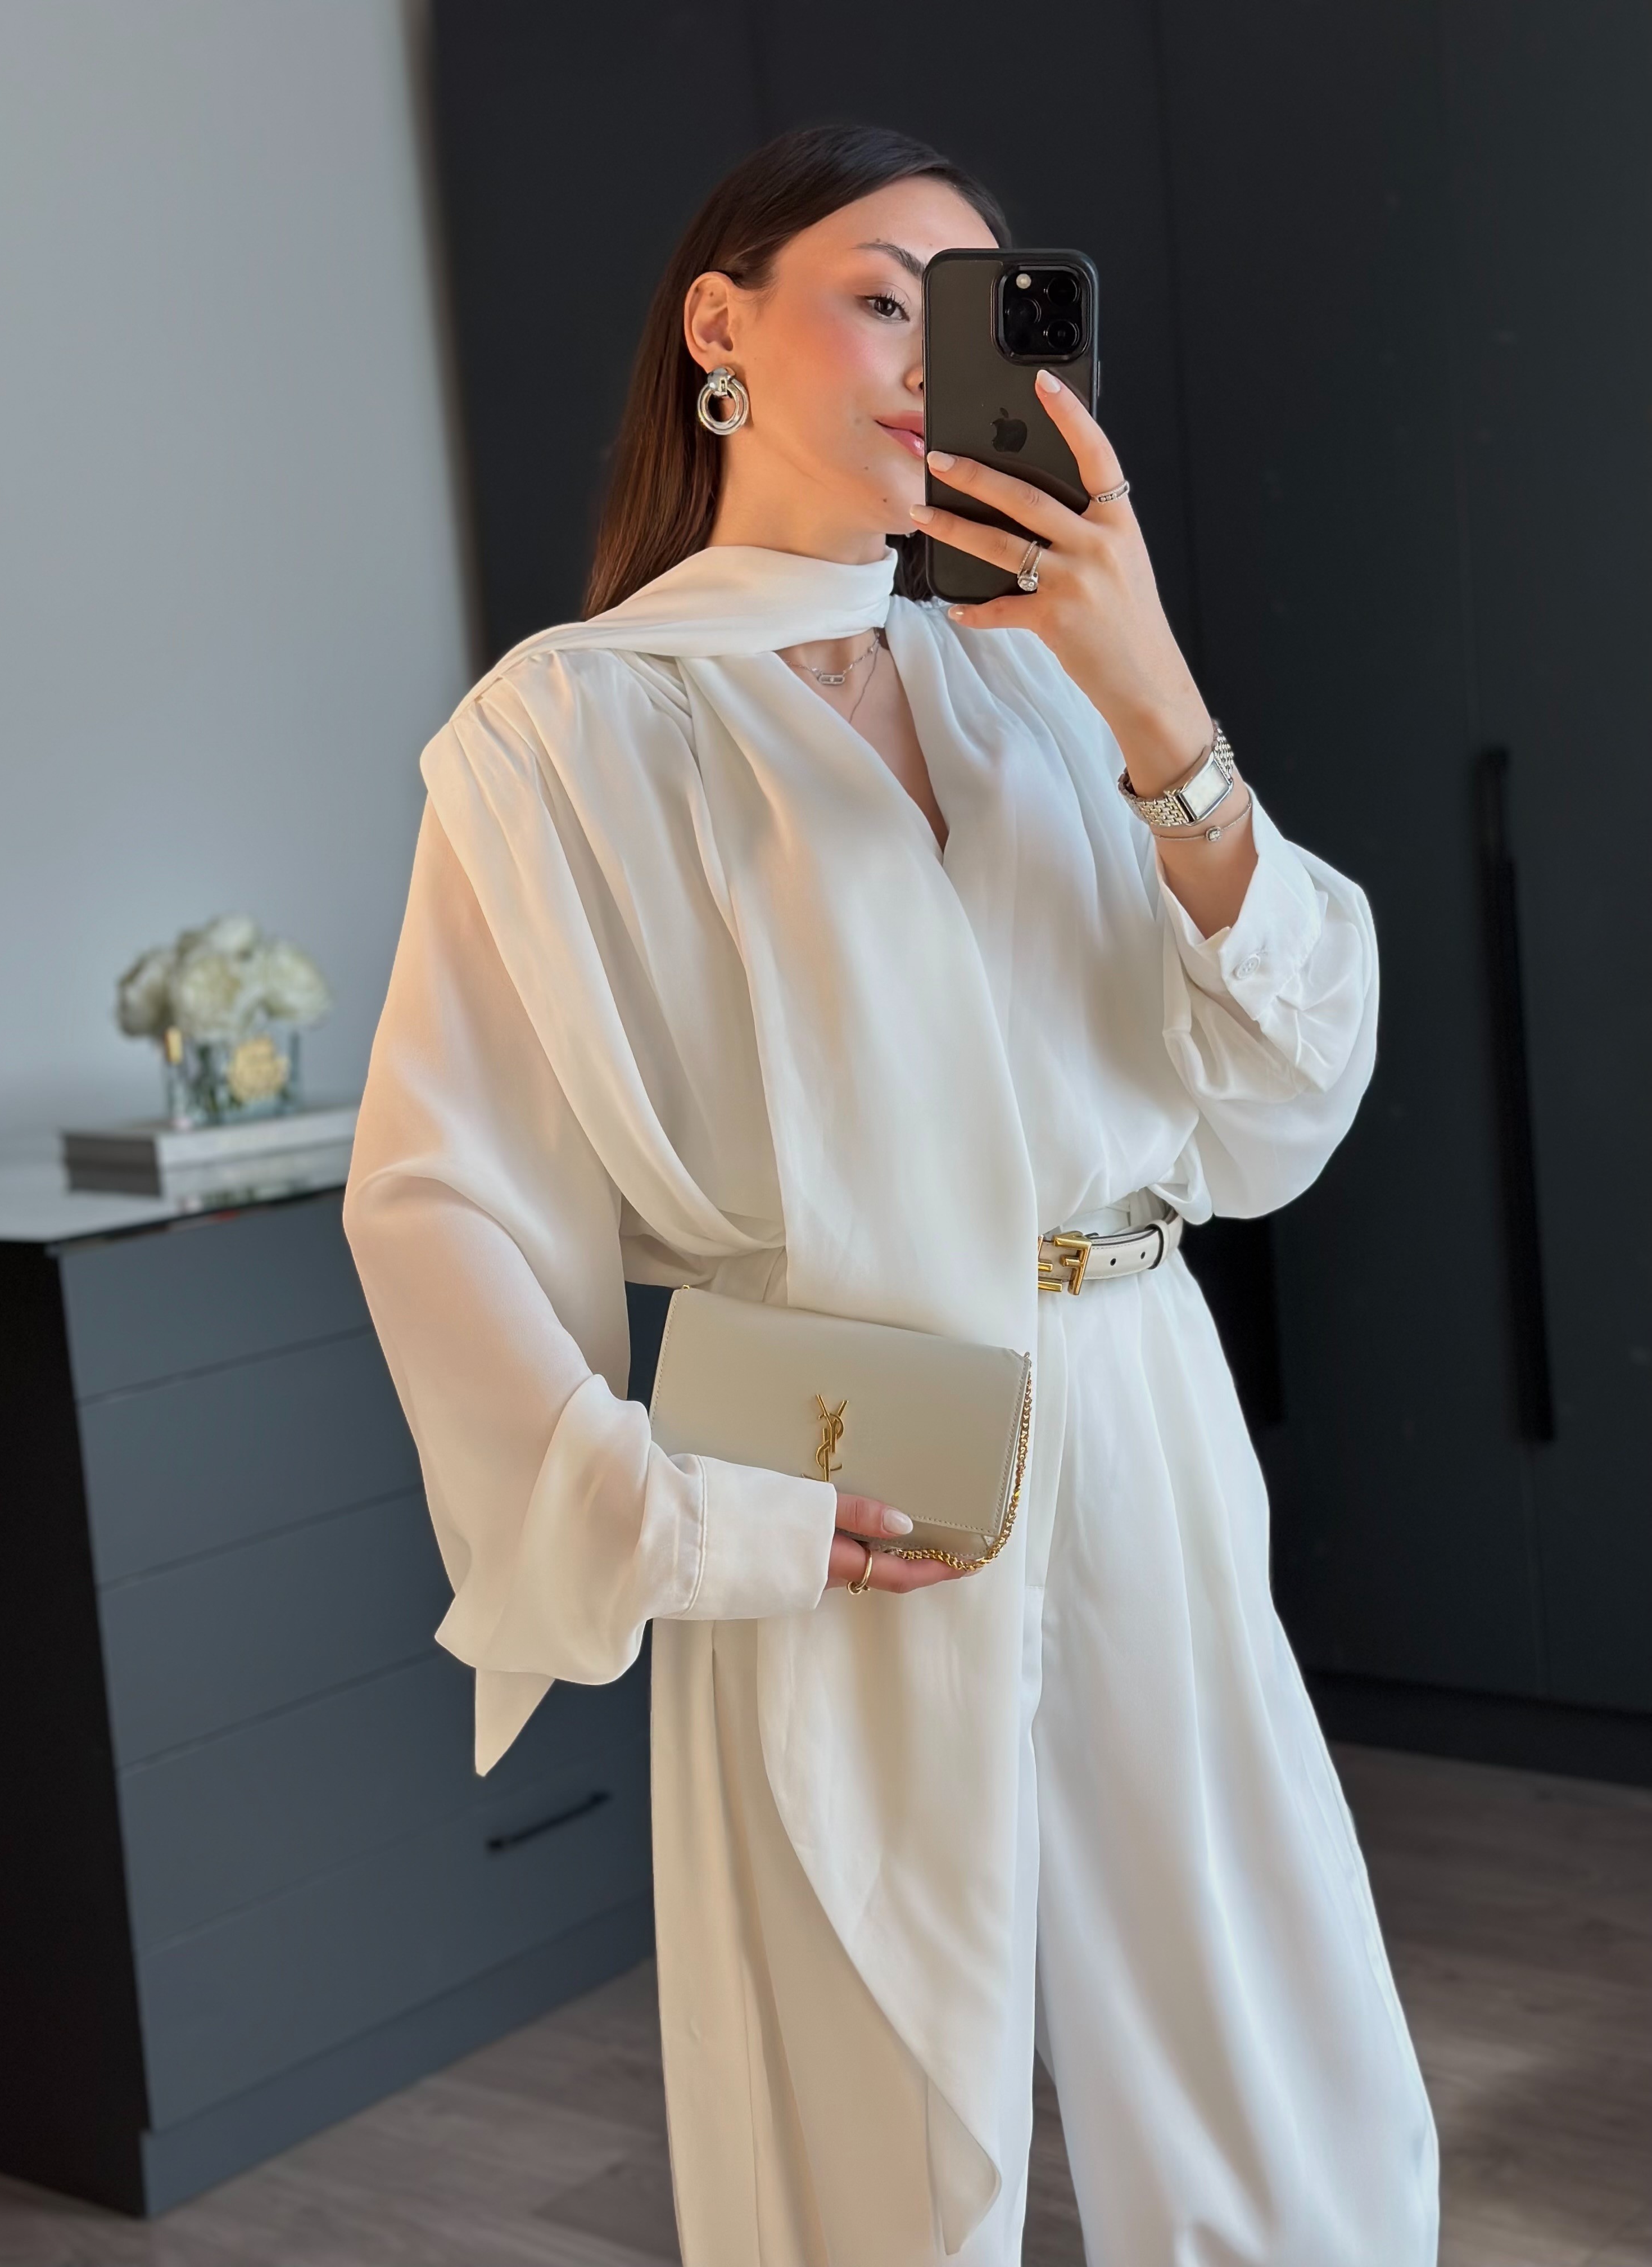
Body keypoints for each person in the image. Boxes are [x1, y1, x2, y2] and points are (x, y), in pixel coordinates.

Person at [344, 121, 1440, 2267]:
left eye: (978, 312)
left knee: (1271, 2037)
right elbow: (439, 1199)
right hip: (834, 1454)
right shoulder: (563, 737)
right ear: (720, 331)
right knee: (861, 2075)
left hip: (1140, 1404)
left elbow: (1281, 1094)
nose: (941, 360)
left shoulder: (1040, 689)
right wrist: (663, 1506)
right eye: (882, 297)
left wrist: (1157, 702)